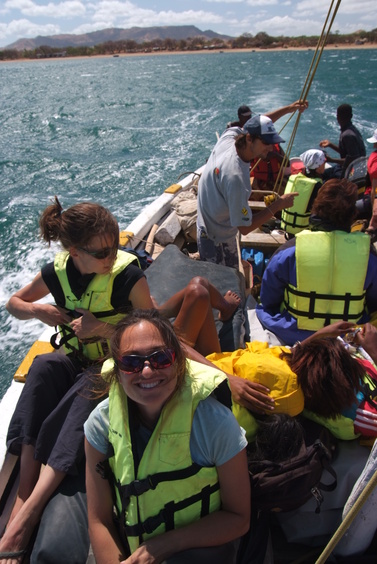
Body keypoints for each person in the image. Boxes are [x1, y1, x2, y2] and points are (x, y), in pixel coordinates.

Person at [0, 198, 241, 562]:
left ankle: (30, 509)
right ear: (74, 252)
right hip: (76, 359)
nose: (113, 254)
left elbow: (155, 333)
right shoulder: (56, 272)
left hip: (115, 363)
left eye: (116, 245)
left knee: (90, 386)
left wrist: (101, 329)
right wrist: (38, 310)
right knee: (43, 369)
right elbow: (13, 304)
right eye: (102, 252)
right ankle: (19, 494)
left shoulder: (126, 275)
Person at [84, 309, 250, 564]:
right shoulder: (101, 424)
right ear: (117, 371)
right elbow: (99, 520)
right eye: (131, 363)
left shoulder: (213, 424)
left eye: (160, 358)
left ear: (179, 362)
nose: (147, 372)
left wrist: (162, 546)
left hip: (201, 551)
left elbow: (238, 518)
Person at [255, 178, 377, 346]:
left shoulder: (289, 252)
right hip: (348, 337)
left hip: (295, 336)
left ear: (315, 209)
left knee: (263, 309)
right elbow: (373, 301)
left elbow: (269, 300)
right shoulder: (367, 256)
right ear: (352, 215)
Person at [197, 113, 303, 268]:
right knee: (224, 283)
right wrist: (278, 204)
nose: (270, 146)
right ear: (249, 139)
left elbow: (256, 123)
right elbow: (245, 228)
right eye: (266, 142)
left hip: (208, 218)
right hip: (215, 237)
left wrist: (289, 108)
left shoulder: (231, 135)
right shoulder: (236, 178)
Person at [280, 148, 326, 236]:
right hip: (304, 232)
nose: (324, 163)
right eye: (323, 161)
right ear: (318, 167)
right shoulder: (317, 186)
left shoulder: (294, 178)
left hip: (288, 231)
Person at [319, 103, 366, 180]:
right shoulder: (352, 129)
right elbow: (347, 154)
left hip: (349, 172)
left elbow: (353, 161)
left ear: (337, 117)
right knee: (323, 174)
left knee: (321, 180)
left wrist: (331, 160)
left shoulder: (347, 135)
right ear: (351, 116)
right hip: (346, 167)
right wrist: (330, 145)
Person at [357, 128, 377, 229]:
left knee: (349, 209)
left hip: (370, 198)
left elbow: (374, 190)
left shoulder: (375, 161)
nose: (374, 146)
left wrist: (373, 213)